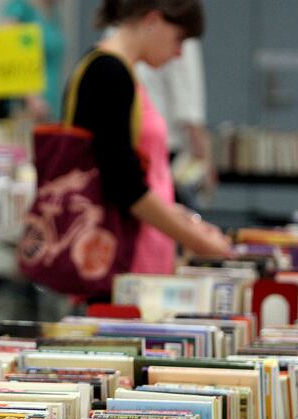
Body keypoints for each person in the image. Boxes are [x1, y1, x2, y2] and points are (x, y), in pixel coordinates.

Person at [67, 0, 232, 276]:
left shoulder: (122, 72)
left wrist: (180, 219)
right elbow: (123, 186)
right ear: (153, 20)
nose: (179, 53)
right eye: (179, 38)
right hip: (117, 263)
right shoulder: (108, 73)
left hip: (132, 259)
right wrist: (197, 241)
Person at [135, 37, 215, 211]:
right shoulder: (181, 38)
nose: (178, 52)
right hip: (164, 152)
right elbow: (189, 109)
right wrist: (205, 159)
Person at [2, 0, 66, 122]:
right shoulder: (20, 9)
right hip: (26, 109)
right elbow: (5, 52)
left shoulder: (54, 14)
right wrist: (30, 97)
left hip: (51, 104)